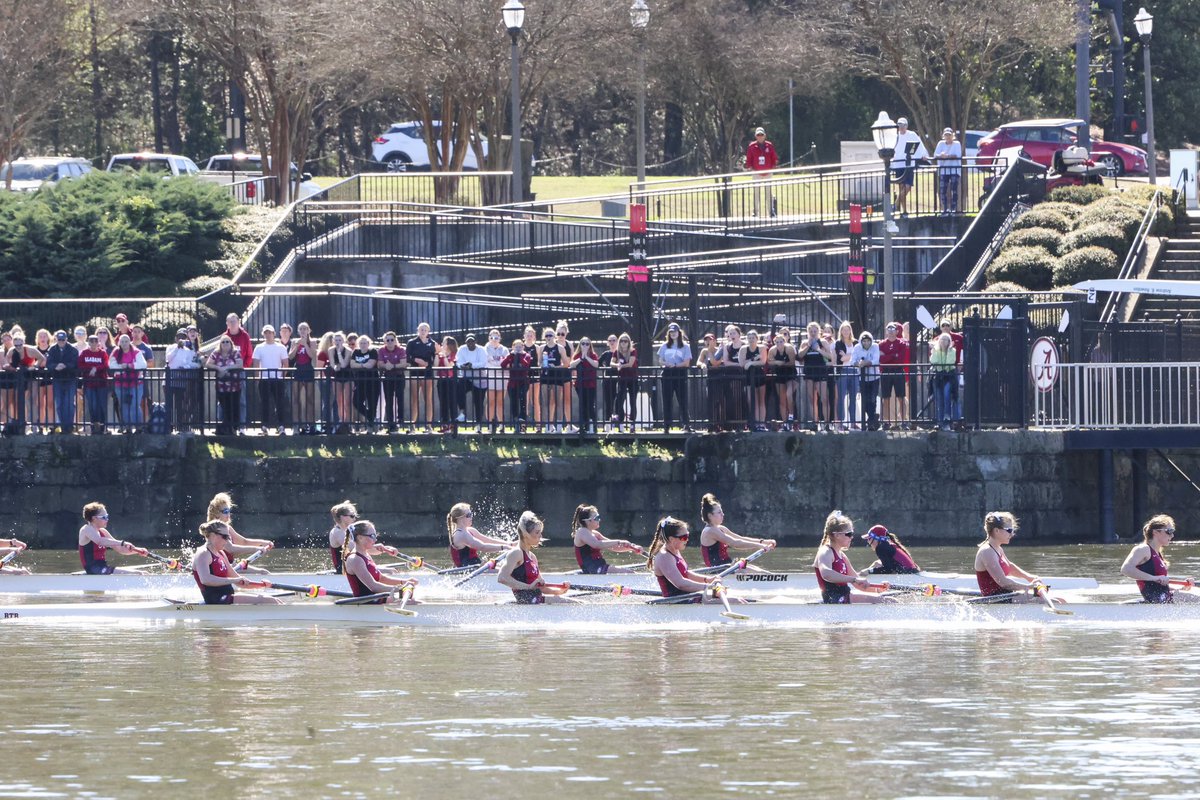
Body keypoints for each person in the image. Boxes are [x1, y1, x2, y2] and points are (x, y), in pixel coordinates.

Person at [191, 520, 278, 605]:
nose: (227, 541)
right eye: (225, 537)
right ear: (213, 536)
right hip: (217, 601)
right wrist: (235, 580)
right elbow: (206, 580)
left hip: (228, 598)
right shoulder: (204, 554)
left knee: (274, 600)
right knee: (269, 601)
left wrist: (262, 585)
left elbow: (239, 582)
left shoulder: (221, 553)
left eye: (229, 538)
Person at [813, 510, 889, 604]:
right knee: (888, 601)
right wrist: (854, 579)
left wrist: (880, 588)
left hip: (845, 597)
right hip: (834, 599)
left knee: (888, 599)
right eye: (849, 534)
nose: (852, 537)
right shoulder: (825, 552)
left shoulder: (842, 556)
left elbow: (859, 585)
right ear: (837, 535)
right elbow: (826, 574)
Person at [1120, 514, 1197, 604]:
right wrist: (1154, 578)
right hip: (1156, 600)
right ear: (1156, 532)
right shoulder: (1143, 549)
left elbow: (1160, 587)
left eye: (1173, 531)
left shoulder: (1158, 555)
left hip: (1164, 597)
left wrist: (1183, 588)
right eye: (1169, 531)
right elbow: (1126, 569)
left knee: (1193, 592)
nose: (1172, 535)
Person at [497, 511, 570, 604]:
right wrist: (528, 587)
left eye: (540, 532)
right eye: (537, 532)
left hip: (536, 599)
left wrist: (561, 590)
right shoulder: (516, 553)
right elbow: (502, 577)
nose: (540, 536)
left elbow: (542, 588)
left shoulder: (532, 557)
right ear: (525, 534)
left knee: (576, 602)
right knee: (570, 603)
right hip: (526, 601)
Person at [974, 512, 1049, 601]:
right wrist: (1028, 587)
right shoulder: (987, 552)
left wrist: (1029, 577)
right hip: (995, 599)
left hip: (1006, 594)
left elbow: (1009, 567)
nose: (1012, 534)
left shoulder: (997, 548)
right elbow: (1003, 582)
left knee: (1060, 600)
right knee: (1056, 601)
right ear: (996, 531)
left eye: (1013, 530)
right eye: (1009, 530)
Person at [343, 520, 419, 602]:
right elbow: (374, 587)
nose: (375, 539)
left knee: (414, 599)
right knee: (415, 602)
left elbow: (381, 578)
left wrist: (404, 582)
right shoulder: (355, 559)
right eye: (372, 536)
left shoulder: (365, 554)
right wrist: (401, 588)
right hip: (366, 603)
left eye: (376, 535)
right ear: (360, 538)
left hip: (376, 598)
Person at [698, 493, 776, 569]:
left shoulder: (721, 528)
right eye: (719, 512)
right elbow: (735, 543)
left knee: (760, 571)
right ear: (710, 515)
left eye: (722, 511)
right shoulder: (710, 531)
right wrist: (759, 546)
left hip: (728, 565)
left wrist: (763, 542)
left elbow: (740, 538)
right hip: (718, 570)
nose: (723, 514)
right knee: (759, 573)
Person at [647, 516, 718, 600]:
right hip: (677, 603)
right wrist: (709, 587)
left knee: (734, 597)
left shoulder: (675, 550)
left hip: (688, 597)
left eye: (687, 535)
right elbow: (680, 583)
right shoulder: (664, 556)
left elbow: (686, 573)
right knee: (734, 600)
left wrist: (707, 580)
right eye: (684, 537)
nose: (687, 540)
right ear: (672, 539)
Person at [206, 492, 274, 571]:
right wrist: (256, 549)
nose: (228, 514)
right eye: (225, 511)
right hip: (218, 570)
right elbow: (231, 549)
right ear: (216, 514)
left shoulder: (228, 528)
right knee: (261, 572)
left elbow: (244, 541)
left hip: (230, 567)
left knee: (263, 572)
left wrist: (264, 542)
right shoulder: (216, 530)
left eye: (229, 510)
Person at [77, 501, 149, 574]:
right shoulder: (86, 529)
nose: (107, 519)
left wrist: (138, 550)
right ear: (94, 518)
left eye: (107, 516)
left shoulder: (103, 531)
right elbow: (99, 541)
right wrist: (123, 543)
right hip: (94, 570)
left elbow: (121, 549)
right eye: (104, 517)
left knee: (144, 573)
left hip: (102, 569)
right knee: (140, 574)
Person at [570, 504, 642, 574]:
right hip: (593, 569)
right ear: (588, 521)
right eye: (597, 518)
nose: (599, 520)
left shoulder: (595, 533)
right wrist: (619, 541)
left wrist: (633, 547)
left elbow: (614, 547)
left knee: (630, 572)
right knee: (629, 572)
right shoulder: (582, 532)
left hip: (599, 567)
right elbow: (597, 545)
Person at [447, 502, 511, 568]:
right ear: (459, 518)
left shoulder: (470, 530)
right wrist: (503, 547)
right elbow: (483, 547)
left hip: (476, 566)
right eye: (468, 515)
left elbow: (487, 540)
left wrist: (510, 544)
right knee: (507, 569)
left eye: (471, 514)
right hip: (468, 569)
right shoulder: (461, 535)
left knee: (507, 566)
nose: (471, 517)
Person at [253, 324, 289, 435]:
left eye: (270, 333)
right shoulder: (259, 347)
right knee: (264, 403)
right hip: (264, 379)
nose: (268, 335)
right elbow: (256, 364)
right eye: (266, 333)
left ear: (274, 334)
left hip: (277, 379)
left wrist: (282, 377)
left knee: (280, 403)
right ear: (263, 334)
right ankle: (265, 426)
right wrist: (257, 378)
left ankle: (281, 425)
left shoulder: (281, 347)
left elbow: (285, 364)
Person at [205, 335, 243, 436]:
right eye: (223, 342)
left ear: (231, 343)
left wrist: (227, 368)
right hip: (221, 386)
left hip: (234, 386)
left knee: (234, 407)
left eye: (227, 342)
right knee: (225, 407)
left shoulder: (235, 353)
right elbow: (208, 364)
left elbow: (240, 364)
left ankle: (233, 428)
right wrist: (218, 368)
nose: (225, 344)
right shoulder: (216, 353)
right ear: (220, 344)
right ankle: (226, 428)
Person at [657, 322, 692, 432]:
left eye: (675, 331)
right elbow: (660, 360)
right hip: (667, 373)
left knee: (682, 400)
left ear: (679, 332)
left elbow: (687, 362)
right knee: (667, 400)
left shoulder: (685, 346)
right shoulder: (664, 345)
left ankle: (686, 424)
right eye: (671, 332)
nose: (673, 334)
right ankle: (667, 425)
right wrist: (666, 364)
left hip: (680, 373)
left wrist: (676, 365)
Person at [799, 322, 834, 431]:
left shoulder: (823, 342)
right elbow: (799, 355)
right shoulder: (805, 342)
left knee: (824, 398)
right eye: (811, 331)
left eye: (815, 331)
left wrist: (819, 349)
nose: (813, 333)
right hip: (809, 373)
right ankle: (815, 422)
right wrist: (809, 345)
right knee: (811, 399)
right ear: (808, 332)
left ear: (819, 332)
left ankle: (827, 423)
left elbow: (830, 357)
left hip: (820, 372)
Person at [891, 117, 929, 216]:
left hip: (909, 164)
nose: (901, 127)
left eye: (903, 125)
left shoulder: (912, 135)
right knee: (901, 187)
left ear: (906, 126)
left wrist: (924, 155)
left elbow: (919, 146)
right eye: (899, 125)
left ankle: (895, 204)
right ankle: (904, 211)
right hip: (898, 165)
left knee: (908, 187)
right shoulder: (894, 136)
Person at [164, 328, 198, 433]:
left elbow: (191, 364)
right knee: (168, 404)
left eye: (183, 338)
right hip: (169, 380)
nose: (181, 339)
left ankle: (180, 426)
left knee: (180, 405)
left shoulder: (188, 351)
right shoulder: (170, 348)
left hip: (181, 380)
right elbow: (168, 360)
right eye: (179, 337)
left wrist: (185, 368)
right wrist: (177, 348)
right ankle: (168, 426)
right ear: (175, 338)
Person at [46, 330, 78, 435]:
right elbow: (49, 364)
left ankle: (69, 426)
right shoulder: (52, 349)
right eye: (59, 340)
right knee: (59, 404)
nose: (61, 341)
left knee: (69, 403)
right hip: (57, 380)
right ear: (56, 339)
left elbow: (74, 363)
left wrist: (65, 366)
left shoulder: (73, 349)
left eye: (63, 340)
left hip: (70, 380)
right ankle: (64, 426)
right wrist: (56, 366)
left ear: (66, 339)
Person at [878, 323, 909, 430]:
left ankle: (904, 421)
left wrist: (887, 356)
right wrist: (893, 355)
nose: (891, 331)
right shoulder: (881, 344)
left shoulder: (902, 343)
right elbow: (880, 360)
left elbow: (900, 359)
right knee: (885, 398)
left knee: (901, 397)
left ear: (897, 331)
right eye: (889, 329)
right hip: (886, 372)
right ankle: (886, 422)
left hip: (898, 371)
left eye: (893, 329)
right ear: (886, 331)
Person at [375, 330, 406, 434]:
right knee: (389, 400)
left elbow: (403, 363)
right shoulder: (381, 350)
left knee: (400, 397)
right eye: (387, 340)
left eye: (392, 340)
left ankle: (400, 419)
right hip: (387, 377)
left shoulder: (401, 349)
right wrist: (385, 366)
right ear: (384, 341)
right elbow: (379, 363)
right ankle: (390, 423)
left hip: (399, 376)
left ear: (395, 340)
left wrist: (392, 366)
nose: (390, 342)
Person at [407, 322, 436, 432]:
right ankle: (412, 425)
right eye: (421, 329)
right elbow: (408, 357)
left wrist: (427, 364)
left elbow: (434, 359)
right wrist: (416, 360)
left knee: (428, 398)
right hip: (415, 372)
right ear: (418, 330)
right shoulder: (412, 342)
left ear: (428, 331)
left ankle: (428, 425)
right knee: (414, 399)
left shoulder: (432, 343)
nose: (423, 332)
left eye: (425, 330)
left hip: (427, 373)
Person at [78, 334, 110, 434]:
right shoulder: (84, 353)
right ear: (88, 342)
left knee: (101, 406)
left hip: (101, 384)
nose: (94, 343)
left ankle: (102, 427)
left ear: (98, 343)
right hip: (89, 384)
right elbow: (80, 364)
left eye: (96, 341)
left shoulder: (102, 353)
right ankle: (93, 427)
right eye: (91, 341)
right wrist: (91, 368)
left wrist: (96, 368)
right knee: (92, 406)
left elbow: (105, 364)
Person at [349, 333, 380, 433]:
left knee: (372, 404)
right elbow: (352, 365)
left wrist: (359, 365)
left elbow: (370, 365)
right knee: (356, 402)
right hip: (360, 382)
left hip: (373, 381)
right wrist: (363, 365)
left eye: (365, 343)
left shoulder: (373, 351)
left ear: (368, 343)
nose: (363, 344)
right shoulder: (356, 352)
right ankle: (371, 419)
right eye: (361, 343)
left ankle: (371, 428)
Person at [456, 333, 488, 430]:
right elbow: (458, 362)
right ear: (466, 342)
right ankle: (462, 412)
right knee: (459, 388)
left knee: (478, 402)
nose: (470, 343)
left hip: (480, 379)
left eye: (472, 341)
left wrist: (471, 365)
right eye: (468, 341)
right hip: (467, 378)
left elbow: (483, 363)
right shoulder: (462, 349)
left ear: (476, 342)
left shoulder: (482, 350)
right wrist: (462, 366)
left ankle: (479, 424)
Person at [745, 126, 778, 218]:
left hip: (768, 172)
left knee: (768, 192)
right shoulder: (752, 146)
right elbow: (749, 159)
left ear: (765, 136)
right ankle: (755, 212)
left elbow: (774, 158)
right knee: (756, 193)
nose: (760, 136)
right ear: (756, 136)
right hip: (756, 172)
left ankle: (771, 212)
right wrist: (750, 168)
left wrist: (773, 167)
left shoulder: (769, 145)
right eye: (758, 135)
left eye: (761, 134)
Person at [500, 339, 532, 431]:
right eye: (516, 346)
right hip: (512, 383)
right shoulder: (511, 356)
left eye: (520, 346)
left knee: (523, 402)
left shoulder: (527, 355)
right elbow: (503, 365)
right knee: (513, 403)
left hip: (523, 382)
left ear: (523, 347)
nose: (518, 348)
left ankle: (523, 425)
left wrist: (519, 355)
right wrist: (511, 355)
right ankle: (515, 424)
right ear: (513, 347)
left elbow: (526, 365)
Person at [768, 327, 796, 430]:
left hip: (790, 374)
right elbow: (769, 361)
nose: (779, 343)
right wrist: (777, 362)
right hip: (779, 375)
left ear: (784, 341)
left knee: (789, 394)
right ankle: (785, 423)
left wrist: (782, 363)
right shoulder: (772, 350)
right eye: (777, 342)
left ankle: (791, 416)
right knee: (782, 400)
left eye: (781, 341)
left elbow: (792, 362)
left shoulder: (789, 348)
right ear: (774, 342)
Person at [740, 330, 769, 431]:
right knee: (752, 401)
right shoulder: (743, 349)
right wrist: (753, 359)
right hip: (748, 377)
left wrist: (751, 363)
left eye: (753, 338)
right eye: (749, 338)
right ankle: (755, 423)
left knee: (761, 401)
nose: (751, 340)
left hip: (759, 376)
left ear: (757, 338)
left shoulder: (761, 348)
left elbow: (763, 361)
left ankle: (761, 423)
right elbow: (742, 364)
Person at [851, 331, 880, 431]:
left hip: (874, 377)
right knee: (865, 399)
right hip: (862, 378)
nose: (866, 343)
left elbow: (876, 360)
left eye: (868, 341)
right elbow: (852, 361)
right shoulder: (857, 348)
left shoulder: (875, 346)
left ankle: (871, 420)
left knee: (873, 398)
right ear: (861, 341)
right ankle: (872, 419)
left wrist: (866, 363)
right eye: (864, 341)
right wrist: (859, 364)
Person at [570, 337, 599, 433]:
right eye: (583, 343)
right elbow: (572, 365)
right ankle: (585, 427)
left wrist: (586, 357)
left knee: (590, 405)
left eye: (587, 344)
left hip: (591, 384)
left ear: (590, 345)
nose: (585, 345)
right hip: (580, 385)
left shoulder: (593, 355)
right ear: (580, 344)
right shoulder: (577, 355)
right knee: (583, 405)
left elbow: (596, 365)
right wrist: (581, 358)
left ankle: (593, 427)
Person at [930, 332, 958, 431]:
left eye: (945, 340)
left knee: (947, 396)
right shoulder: (936, 351)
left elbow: (950, 362)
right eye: (941, 339)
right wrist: (934, 351)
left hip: (949, 376)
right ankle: (940, 421)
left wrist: (948, 352)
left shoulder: (952, 351)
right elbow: (933, 361)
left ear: (949, 342)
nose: (943, 341)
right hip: (939, 377)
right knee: (939, 399)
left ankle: (947, 419)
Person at [611, 332, 639, 431]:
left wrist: (621, 366)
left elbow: (631, 363)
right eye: (621, 341)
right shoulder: (616, 352)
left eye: (625, 341)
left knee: (632, 401)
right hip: (622, 379)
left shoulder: (633, 351)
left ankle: (632, 423)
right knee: (619, 400)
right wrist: (617, 365)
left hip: (632, 378)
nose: (623, 343)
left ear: (628, 342)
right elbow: (611, 362)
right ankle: (621, 422)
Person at [931, 127, 962, 215]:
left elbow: (957, 155)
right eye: (946, 135)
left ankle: (953, 209)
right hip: (943, 170)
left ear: (953, 136)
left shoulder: (957, 144)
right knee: (943, 190)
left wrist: (947, 156)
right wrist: (941, 155)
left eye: (949, 135)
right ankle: (944, 209)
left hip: (954, 170)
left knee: (954, 189)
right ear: (943, 136)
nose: (948, 137)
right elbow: (935, 155)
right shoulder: (940, 144)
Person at [483, 329, 508, 433]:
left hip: (502, 377)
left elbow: (506, 362)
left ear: (500, 338)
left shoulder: (504, 349)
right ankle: (490, 424)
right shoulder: (485, 349)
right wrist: (497, 365)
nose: (494, 340)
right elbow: (486, 363)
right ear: (489, 338)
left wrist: (496, 365)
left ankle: (501, 425)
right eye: (492, 337)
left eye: (496, 337)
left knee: (500, 402)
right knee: (491, 401)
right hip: (490, 377)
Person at [327, 501, 360, 574]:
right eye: (352, 516)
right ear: (342, 517)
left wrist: (381, 549)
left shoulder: (348, 531)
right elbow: (355, 548)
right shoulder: (337, 532)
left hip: (352, 569)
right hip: (343, 571)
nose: (354, 518)